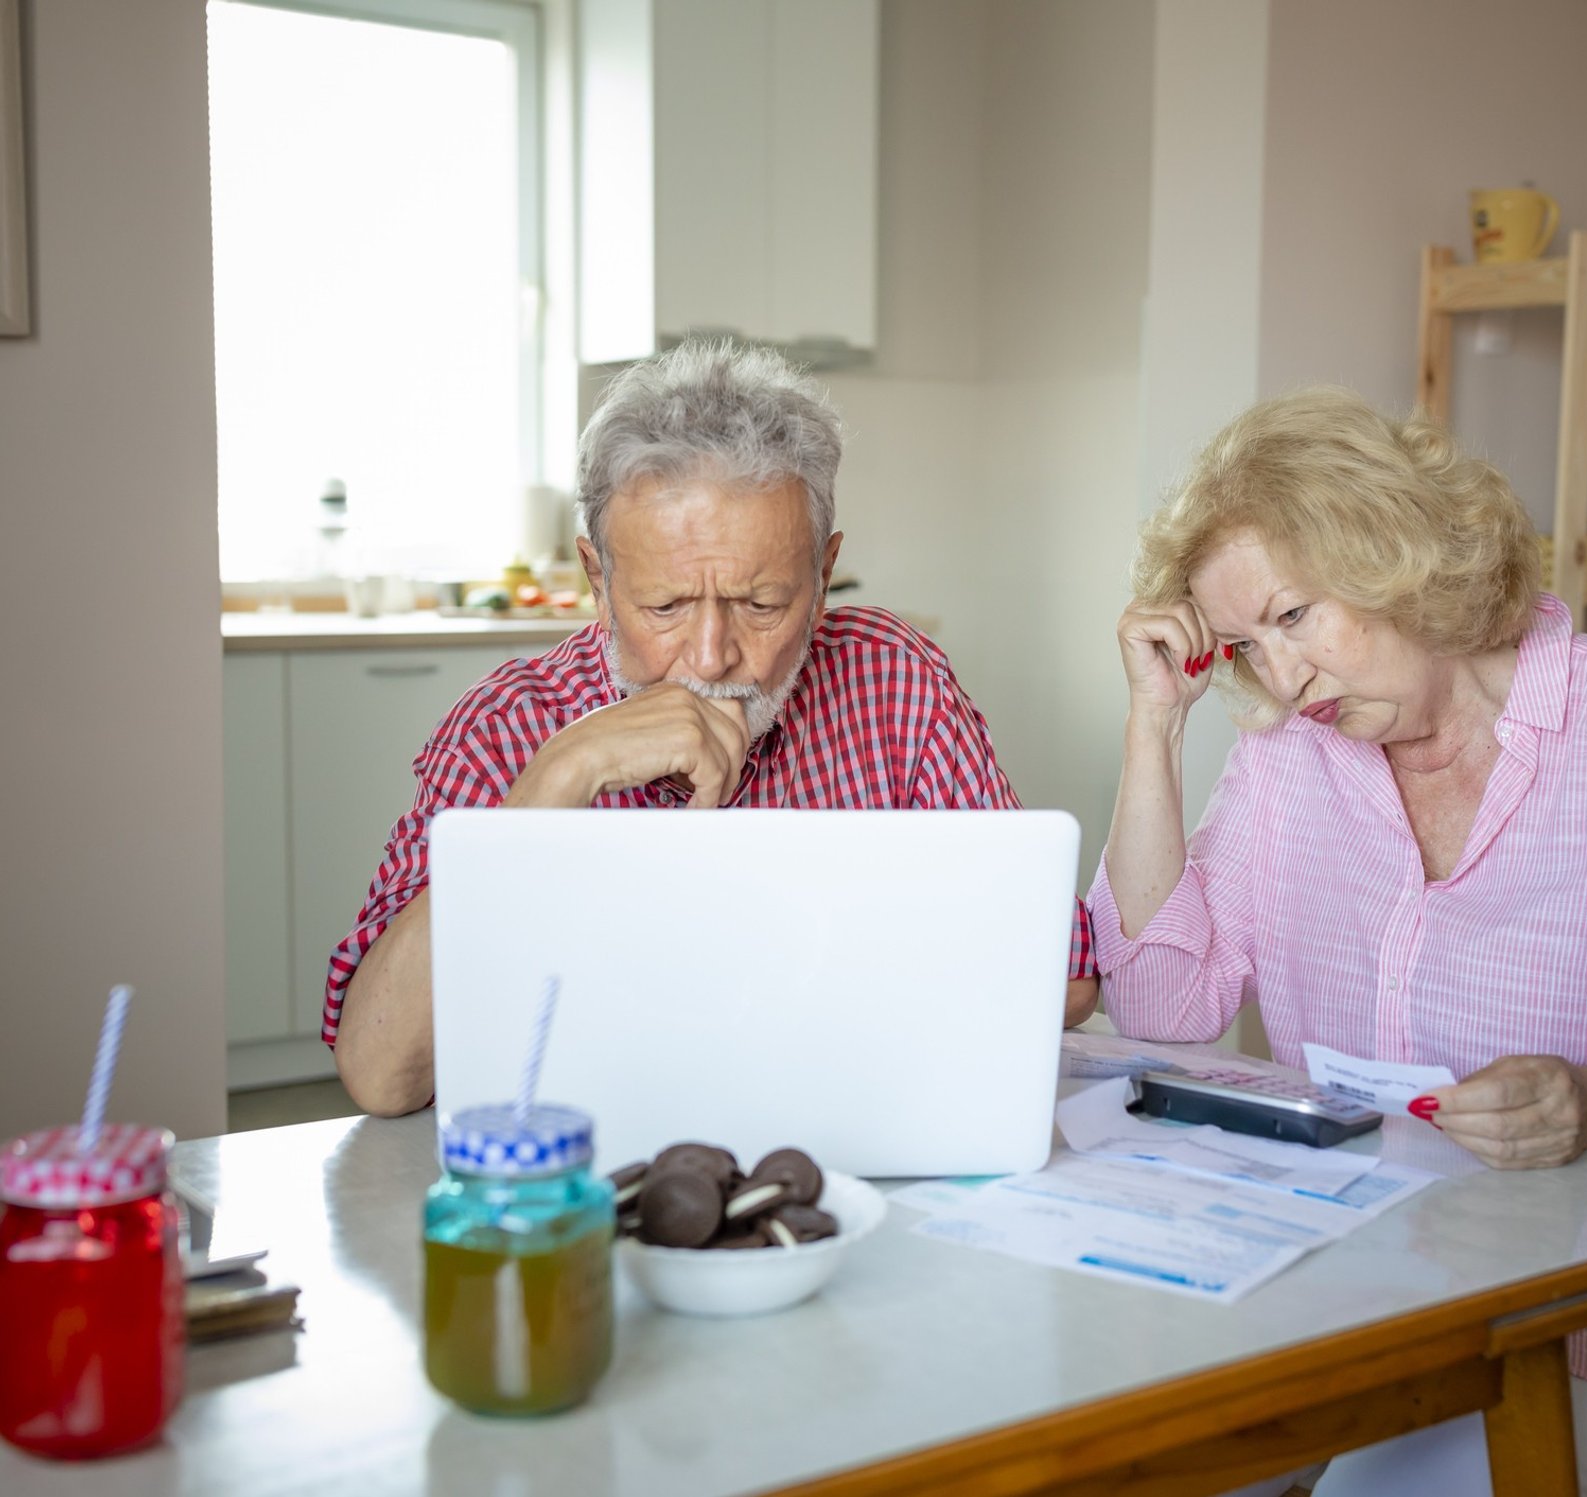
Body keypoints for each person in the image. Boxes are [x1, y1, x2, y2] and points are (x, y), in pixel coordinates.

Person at [1091, 388, 1587, 1497]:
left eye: (1294, 616)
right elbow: (1162, 1012)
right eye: (1247, 645)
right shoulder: (1287, 756)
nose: (1282, 678)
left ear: (1396, 555)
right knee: (1138, 1466)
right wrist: (1152, 726)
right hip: (1356, 1288)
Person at [329, 341, 1097, 1116]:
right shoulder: (507, 725)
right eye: (664, 607)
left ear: (823, 575)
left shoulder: (895, 678)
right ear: (599, 579)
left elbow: (1063, 979)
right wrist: (559, 776)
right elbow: (380, 1073)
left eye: (761, 604)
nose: (710, 656)